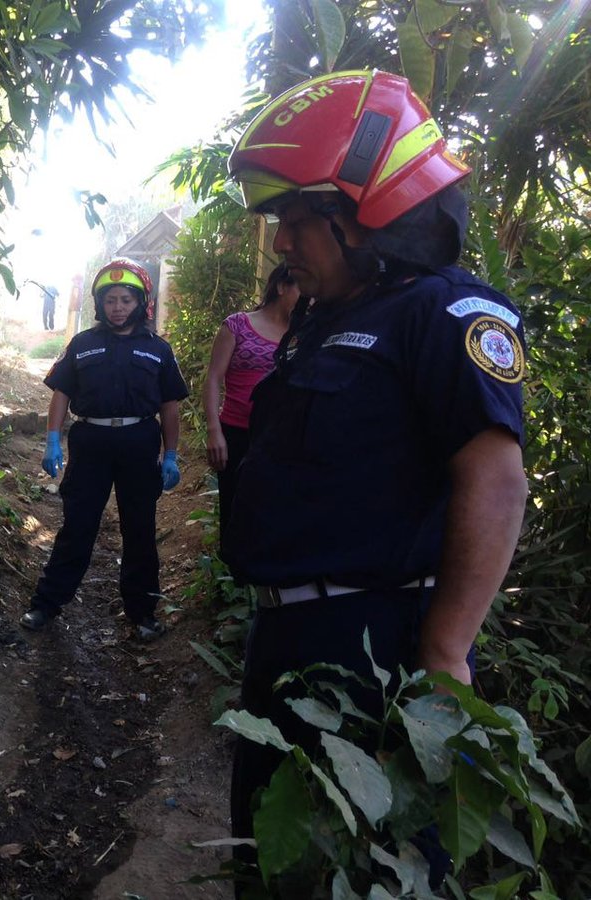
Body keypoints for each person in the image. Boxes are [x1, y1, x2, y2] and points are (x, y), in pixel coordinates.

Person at [223, 70, 528, 884]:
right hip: (284, 641)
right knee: (270, 854)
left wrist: (445, 652)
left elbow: (495, 480)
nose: (282, 243)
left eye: (295, 220)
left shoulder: (447, 313)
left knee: (363, 867)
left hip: (372, 653)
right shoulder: (330, 320)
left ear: (366, 212)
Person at [20, 258, 189, 642]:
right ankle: (46, 604)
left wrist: (171, 454)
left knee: (139, 528)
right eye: (110, 299)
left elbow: (170, 407)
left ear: (140, 303)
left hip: (139, 441)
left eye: (125, 300)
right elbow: (61, 392)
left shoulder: (158, 350)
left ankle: (143, 612)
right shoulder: (82, 345)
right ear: (100, 304)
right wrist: (52, 438)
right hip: (90, 441)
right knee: (77, 525)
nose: (117, 307)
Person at [201, 263, 299, 537]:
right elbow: (212, 379)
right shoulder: (237, 325)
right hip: (236, 433)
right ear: (281, 287)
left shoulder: (305, 334)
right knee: (235, 510)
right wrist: (214, 431)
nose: (309, 298)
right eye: (301, 288)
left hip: (281, 437)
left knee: (275, 513)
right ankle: (238, 573)